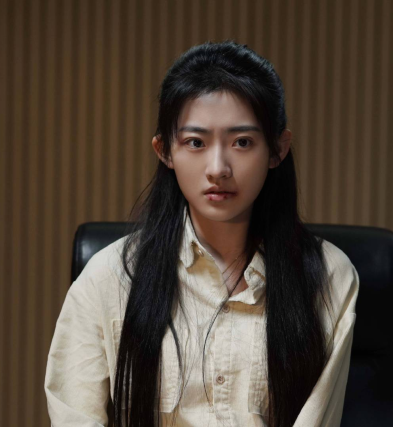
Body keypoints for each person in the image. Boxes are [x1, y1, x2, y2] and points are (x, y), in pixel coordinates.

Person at [44, 40, 359, 427]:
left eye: (242, 142)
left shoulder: (328, 275)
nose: (217, 168)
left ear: (277, 149)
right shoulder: (108, 277)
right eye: (195, 142)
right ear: (165, 151)